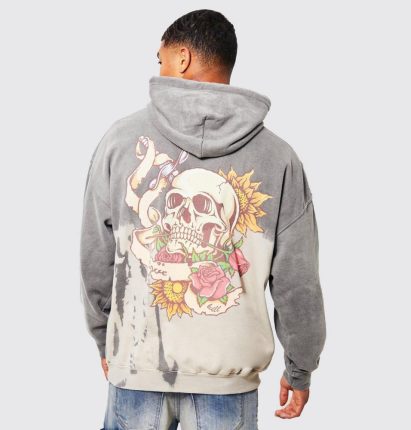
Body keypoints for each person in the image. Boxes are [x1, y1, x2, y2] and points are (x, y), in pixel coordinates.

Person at [80, 9, 326, 430]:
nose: (157, 68)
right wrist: (300, 366)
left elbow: (95, 256)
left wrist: (107, 339)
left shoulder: (120, 142)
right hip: (228, 381)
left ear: (182, 58)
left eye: (159, 58)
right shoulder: (279, 158)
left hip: (137, 370)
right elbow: (297, 281)